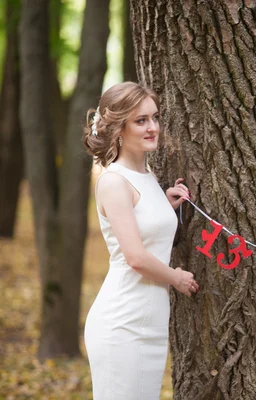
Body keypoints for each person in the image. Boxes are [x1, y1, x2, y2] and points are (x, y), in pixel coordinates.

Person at [83, 82, 200, 399]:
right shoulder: (113, 182)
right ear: (119, 128)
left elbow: (144, 225)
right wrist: (176, 278)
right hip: (123, 323)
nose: (153, 128)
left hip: (151, 323)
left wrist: (164, 205)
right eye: (141, 121)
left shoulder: (146, 178)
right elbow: (135, 256)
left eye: (155, 117)